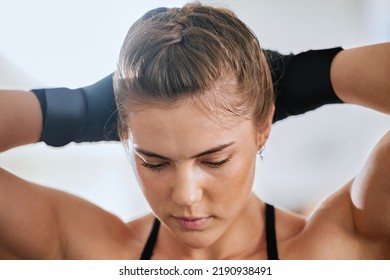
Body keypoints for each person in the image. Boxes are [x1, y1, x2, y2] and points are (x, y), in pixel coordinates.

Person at [0, 3, 389, 259]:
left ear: (263, 126)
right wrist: (79, 109)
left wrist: (308, 74)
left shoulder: (336, 249)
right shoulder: (87, 252)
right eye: (153, 162)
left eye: (214, 159)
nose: (185, 195)